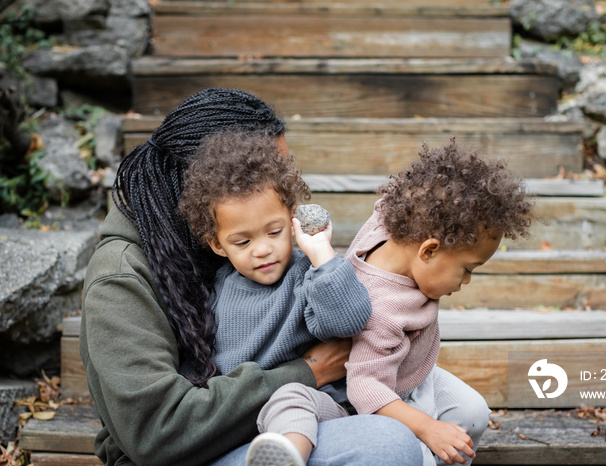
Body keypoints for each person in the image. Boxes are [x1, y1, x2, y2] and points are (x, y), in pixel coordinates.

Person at [79, 88, 423, 466]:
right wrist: (311, 371)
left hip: (268, 422)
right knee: (387, 444)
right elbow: (157, 431)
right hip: (189, 452)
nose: (278, 185)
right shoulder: (119, 278)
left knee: (451, 409)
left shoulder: (240, 251)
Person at [254, 139, 534, 466]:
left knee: (471, 412)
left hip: (407, 373)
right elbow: (365, 389)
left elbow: (398, 201)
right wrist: (427, 428)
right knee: (413, 451)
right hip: (367, 398)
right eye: (467, 269)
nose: (467, 281)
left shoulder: (389, 225)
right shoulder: (383, 312)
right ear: (428, 251)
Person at [178, 129, 372, 464]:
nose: (263, 249)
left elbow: (349, 320)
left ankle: (287, 457)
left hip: (314, 407)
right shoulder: (217, 289)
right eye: (243, 242)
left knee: (289, 396)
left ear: (291, 219)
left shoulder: (308, 276)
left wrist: (322, 255)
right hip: (243, 419)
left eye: (274, 231)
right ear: (217, 245)